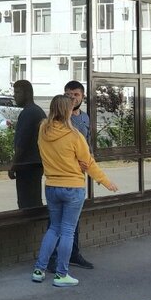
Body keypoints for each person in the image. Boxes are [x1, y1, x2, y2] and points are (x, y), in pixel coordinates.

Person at [32, 95, 118, 287]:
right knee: (68, 231)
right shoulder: (75, 136)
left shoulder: (43, 130)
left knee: (53, 228)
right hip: (73, 188)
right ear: (68, 111)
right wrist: (105, 181)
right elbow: (88, 163)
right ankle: (61, 274)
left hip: (52, 186)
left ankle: (39, 270)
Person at [63, 79, 95, 269]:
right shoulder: (58, 118)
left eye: (76, 94)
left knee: (73, 219)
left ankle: (73, 254)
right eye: (68, 94)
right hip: (63, 175)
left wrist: (90, 161)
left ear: (82, 97)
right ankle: (55, 257)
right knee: (59, 221)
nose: (72, 98)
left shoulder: (85, 118)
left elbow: (88, 143)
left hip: (79, 176)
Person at [8, 80, 46, 208]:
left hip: (28, 166)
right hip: (35, 164)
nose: (15, 96)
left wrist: (14, 165)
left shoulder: (29, 113)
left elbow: (22, 143)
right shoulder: (36, 111)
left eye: (17, 92)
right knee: (33, 201)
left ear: (27, 93)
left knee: (27, 204)